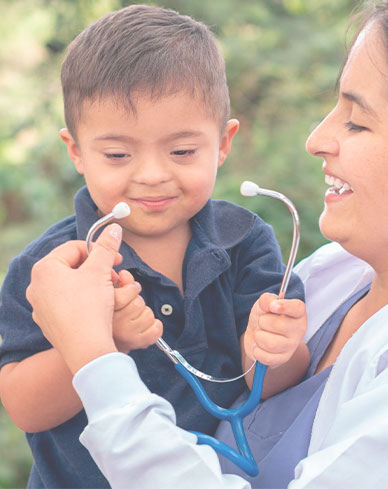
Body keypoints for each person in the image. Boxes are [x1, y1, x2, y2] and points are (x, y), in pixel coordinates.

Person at [26, 1, 388, 487]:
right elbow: (24, 406)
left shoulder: (245, 244)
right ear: (76, 151)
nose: (152, 175)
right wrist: (87, 342)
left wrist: (96, 353)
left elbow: (268, 378)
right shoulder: (54, 269)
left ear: (223, 142)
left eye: (357, 121)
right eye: (117, 153)